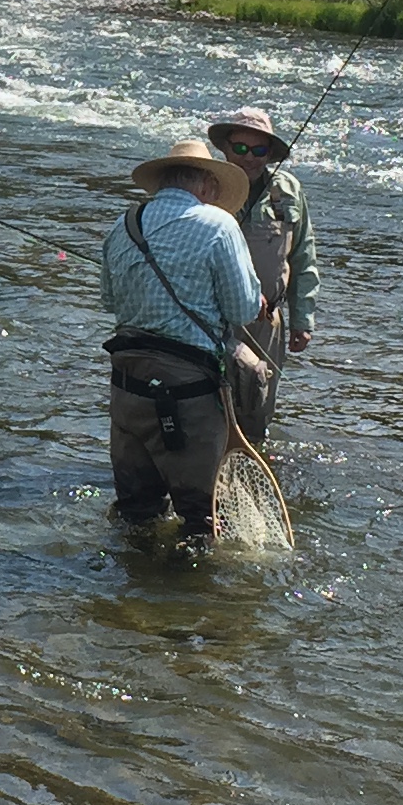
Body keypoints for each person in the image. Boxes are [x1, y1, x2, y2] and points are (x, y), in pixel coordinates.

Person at [100, 136, 263, 546]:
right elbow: (244, 310)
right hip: (187, 396)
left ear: (160, 184)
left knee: (136, 517)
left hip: (126, 389)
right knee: (202, 522)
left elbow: (109, 300)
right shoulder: (219, 226)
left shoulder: (124, 225)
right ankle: (188, 604)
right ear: (206, 185)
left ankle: (128, 597)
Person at [206, 106, 318, 443]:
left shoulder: (289, 189)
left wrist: (303, 320)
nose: (249, 158)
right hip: (214, 315)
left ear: (270, 153)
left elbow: (303, 255)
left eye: (259, 150)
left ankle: (249, 457)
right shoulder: (207, 186)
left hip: (267, 320)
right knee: (211, 400)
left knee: (260, 398)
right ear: (225, 148)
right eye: (240, 148)